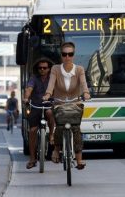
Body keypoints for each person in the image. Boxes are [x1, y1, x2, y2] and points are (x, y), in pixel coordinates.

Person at [42, 42, 91, 170]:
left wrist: (86, 93)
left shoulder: (79, 69)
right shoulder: (55, 69)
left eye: (70, 54)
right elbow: (51, 84)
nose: (67, 57)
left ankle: (79, 160)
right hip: (59, 103)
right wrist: (47, 94)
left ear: (73, 55)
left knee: (76, 128)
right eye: (64, 54)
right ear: (61, 55)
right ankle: (56, 150)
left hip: (75, 103)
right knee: (59, 126)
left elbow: (84, 83)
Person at [22, 58, 54, 169]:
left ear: (49, 69)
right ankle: (32, 158)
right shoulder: (33, 78)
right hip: (36, 106)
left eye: (45, 68)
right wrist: (26, 98)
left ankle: (51, 135)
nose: (42, 70)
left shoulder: (52, 78)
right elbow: (29, 89)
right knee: (32, 130)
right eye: (40, 68)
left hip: (49, 105)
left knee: (50, 113)